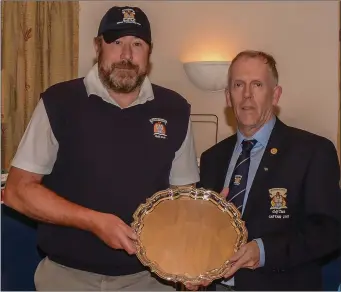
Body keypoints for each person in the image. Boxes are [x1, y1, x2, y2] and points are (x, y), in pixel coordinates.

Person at [3, 6, 199, 291]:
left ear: (149, 52)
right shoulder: (59, 102)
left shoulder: (175, 109)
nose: (127, 55)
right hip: (66, 277)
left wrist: (191, 261)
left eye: (137, 44)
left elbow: (183, 203)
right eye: (116, 42)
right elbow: (17, 191)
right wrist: (94, 221)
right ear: (98, 47)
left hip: (150, 280)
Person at [197, 50, 341, 291]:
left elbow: (329, 231)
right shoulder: (212, 158)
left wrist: (263, 251)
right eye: (238, 85)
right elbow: (200, 233)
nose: (246, 95)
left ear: (275, 95)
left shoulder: (313, 151)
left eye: (257, 84)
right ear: (227, 97)